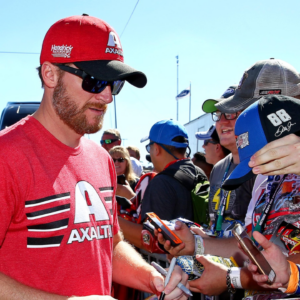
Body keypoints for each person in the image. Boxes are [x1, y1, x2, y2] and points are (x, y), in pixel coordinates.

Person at [0, 14, 188, 299]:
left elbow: (108, 247)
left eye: (115, 84)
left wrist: (153, 279)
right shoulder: (7, 157)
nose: (107, 96)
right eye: (95, 81)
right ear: (50, 74)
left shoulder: (102, 160)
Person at [158, 95, 300, 298]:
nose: (256, 169)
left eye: (260, 156)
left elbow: (287, 268)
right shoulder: (266, 180)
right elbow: (252, 245)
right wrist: (197, 244)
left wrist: (232, 278)